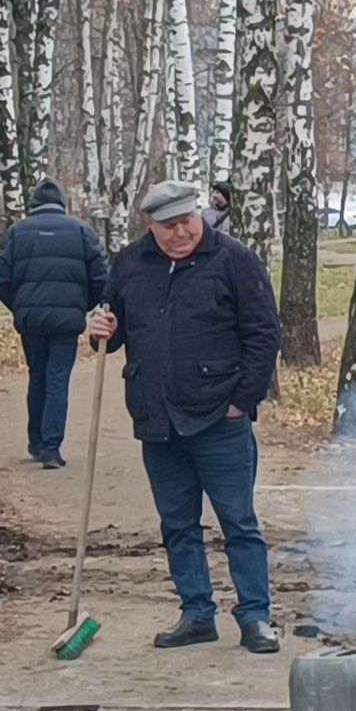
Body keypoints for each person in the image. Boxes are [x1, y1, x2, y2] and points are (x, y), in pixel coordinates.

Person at [86, 179, 283, 654]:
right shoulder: (131, 263)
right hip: (157, 418)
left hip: (221, 416)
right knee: (177, 524)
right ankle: (196, 613)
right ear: (150, 226)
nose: (180, 233)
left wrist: (242, 400)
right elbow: (111, 332)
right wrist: (99, 329)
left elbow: (264, 334)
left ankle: (256, 617)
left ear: (199, 216)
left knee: (239, 522)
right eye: (168, 226)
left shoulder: (234, 260)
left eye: (186, 222)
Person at [0, 178, 109, 470]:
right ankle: (51, 448)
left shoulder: (18, 232)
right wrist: (84, 306)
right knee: (58, 380)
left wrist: (19, 305)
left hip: (31, 319)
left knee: (38, 375)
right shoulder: (82, 231)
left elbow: (0, 277)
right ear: (62, 204)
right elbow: (101, 277)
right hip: (67, 320)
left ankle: (36, 442)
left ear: (33, 206)